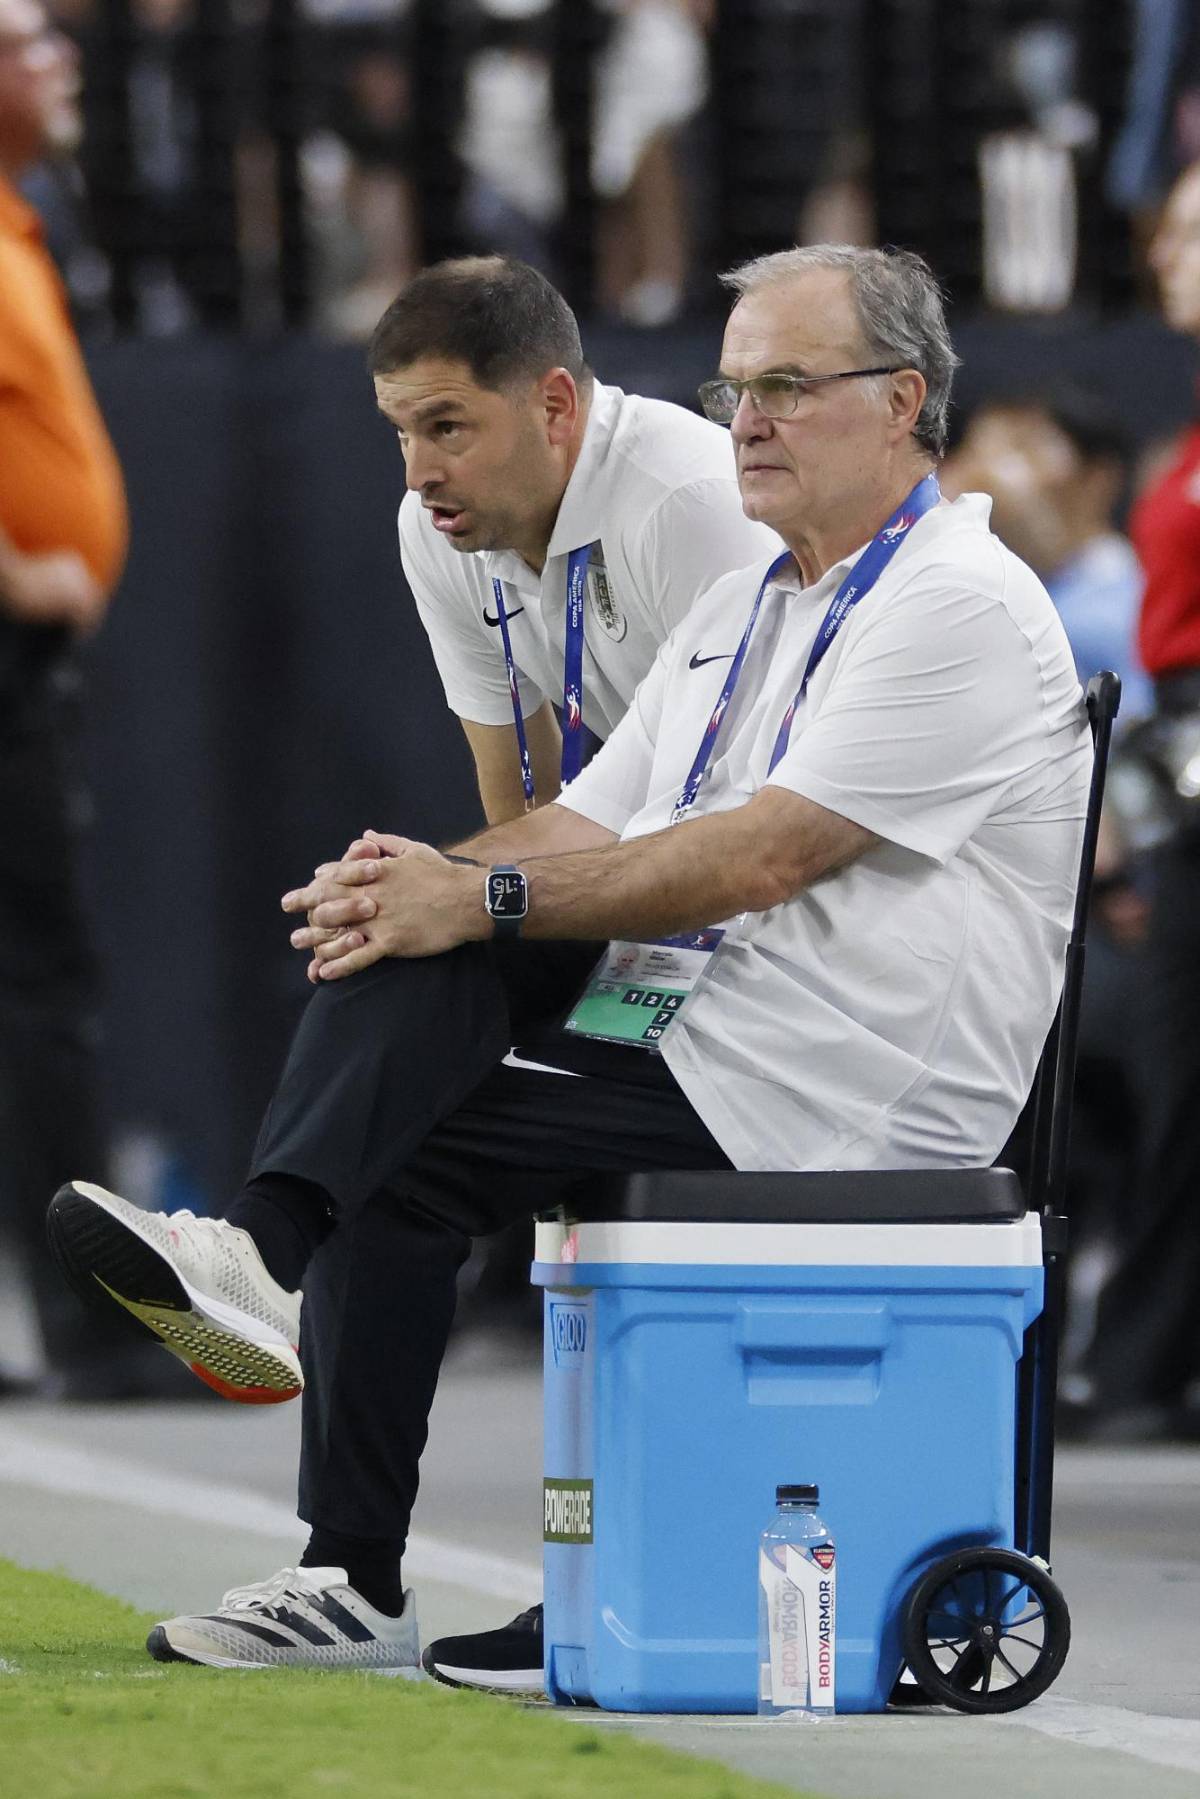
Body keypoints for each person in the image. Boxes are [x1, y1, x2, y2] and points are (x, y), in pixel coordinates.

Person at [47, 243, 1089, 1679]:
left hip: (848, 1076)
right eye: (736, 391)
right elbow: (577, 821)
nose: (752, 422)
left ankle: (281, 1312)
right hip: (716, 1023)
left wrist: (479, 896)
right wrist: (411, 885)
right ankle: (311, 1445)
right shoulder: (753, 605)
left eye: (788, 385)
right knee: (415, 956)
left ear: (904, 399)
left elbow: (759, 857)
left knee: (455, 960)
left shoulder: (957, 602)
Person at [381, 254, 774, 827]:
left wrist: (452, 893)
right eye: (402, 432)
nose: (418, 476)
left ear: (555, 407)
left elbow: (750, 808)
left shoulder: (687, 503)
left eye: (447, 428)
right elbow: (524, 804)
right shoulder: (435, 525)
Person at [0, 0, 132, 1396]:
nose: (61, 63)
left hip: (26, 660)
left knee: (39, 981)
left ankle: (79, 1316)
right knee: (41, 984)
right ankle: (92, 1324)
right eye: (30, 42)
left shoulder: (24, 227)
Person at [1080, 160, 1200, 1439]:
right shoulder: (1186, 424)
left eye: (1194, 232)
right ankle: (1143, 1363)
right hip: (1179, 773)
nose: (1169, 250)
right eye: (1169, 228)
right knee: (1177, 1078)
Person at [942, 386, 1150, 717]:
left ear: (1098, 477)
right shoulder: (996, 580)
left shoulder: (1118, 601)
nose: (1008, 476)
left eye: (1029, 450)